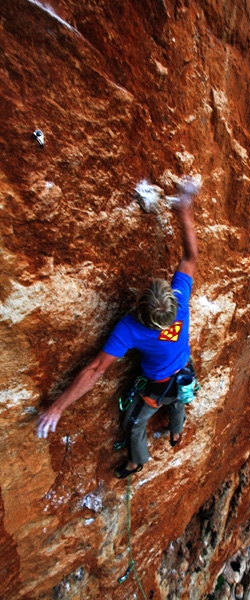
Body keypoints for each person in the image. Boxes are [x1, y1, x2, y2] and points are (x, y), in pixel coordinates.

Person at [37, 178, 199, 478]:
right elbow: (189, 257)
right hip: (184, 368)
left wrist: (58, 407)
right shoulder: (180, 301)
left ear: (141, 306)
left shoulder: (131, 328)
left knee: (134, 421)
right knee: (180, 399)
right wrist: (184, 210)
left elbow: (96, 370)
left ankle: (136, 461)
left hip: (158, 385)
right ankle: (177, 434)